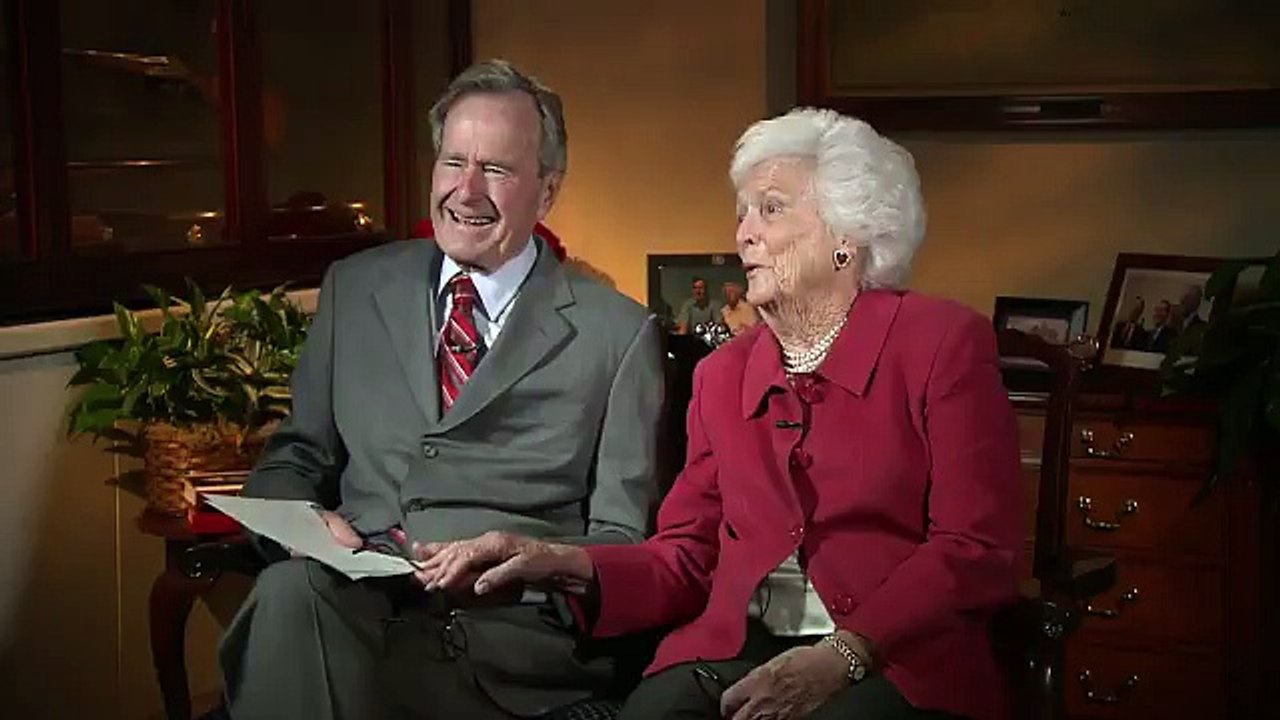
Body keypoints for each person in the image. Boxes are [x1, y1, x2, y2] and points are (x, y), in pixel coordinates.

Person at [418, 108, 1023, 720]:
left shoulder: (941, 343)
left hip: (898, 659)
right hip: (740, 649)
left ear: (848, 238)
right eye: (741, 213)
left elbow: (975, 547)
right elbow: (688, 556)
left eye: (771, 208)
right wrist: (561, 562)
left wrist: (846, 653)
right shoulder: (722, 375)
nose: (743, 234)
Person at [216, 59, 666, 720]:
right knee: (290, 596)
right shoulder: (355, 287)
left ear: (547, 191)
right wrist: (305, 528)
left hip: (499, 633)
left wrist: (536, 557)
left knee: (332, 670)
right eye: (454, 162)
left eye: (498, 171)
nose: (467, 191)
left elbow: (625, 541)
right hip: (353, 598)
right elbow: (293, 460)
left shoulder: (617, 333)